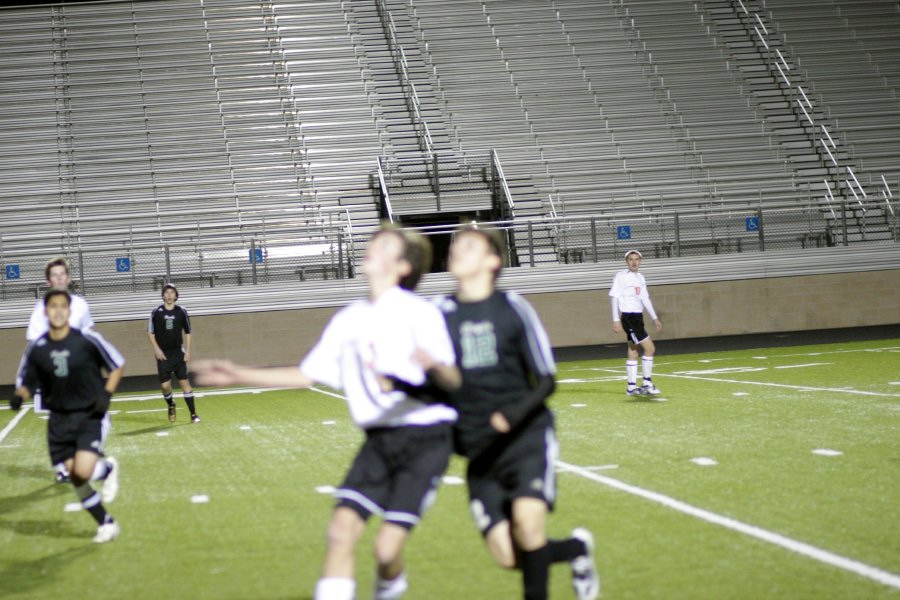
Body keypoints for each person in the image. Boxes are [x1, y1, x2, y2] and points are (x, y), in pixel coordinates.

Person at [193, 226, 461, 600]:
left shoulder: (422, 314)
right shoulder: (349, 319)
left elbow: (454, 380)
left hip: (424, 440)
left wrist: (432, 366)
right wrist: (238, 373)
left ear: (402, 267)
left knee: (385, 551)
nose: (372, 246)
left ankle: (390, 583)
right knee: (340, 532)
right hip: (379, 442)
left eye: (384, 245)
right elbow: (305, 375)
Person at [394, 226, 600, 600]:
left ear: (493, 261)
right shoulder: (437, 314)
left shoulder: (513, 307)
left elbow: (545, 380)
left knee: (528, 525)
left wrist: (510, 416)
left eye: (470, 245)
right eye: (456, 244)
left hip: (526, 439)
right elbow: (432, 386)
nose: (457, 249)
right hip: (478, 450)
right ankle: (575, 550)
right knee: (509, 555)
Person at [12, 289, 125, 544]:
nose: (59, 311)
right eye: (53, 306)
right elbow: (29, 381)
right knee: (75, 477)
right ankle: (106, 523)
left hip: (86, 417)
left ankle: (107, 468)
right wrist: (20, 395)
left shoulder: (86, 340)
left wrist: (106, 395)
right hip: (58, 421)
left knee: (83, 472)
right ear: (45, 311)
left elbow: (116, 365)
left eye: (64, 306)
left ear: (70, 311)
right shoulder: (38, 348)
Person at [22, 257, 95, 483]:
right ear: (48, 281)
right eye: (54, 275)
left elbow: (89, 336)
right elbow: (34, 343)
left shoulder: (80, 305)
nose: (59, 278)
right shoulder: (40, 309)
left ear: (68, 278)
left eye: (62, 274)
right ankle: (61, 467)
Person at [609, 250, 662, 396]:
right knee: (650, 348)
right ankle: (646, 383)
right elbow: (614, 297)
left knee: (633, 350)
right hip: (629, 318)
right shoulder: (621, 276)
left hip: (638, 318)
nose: (634, 262)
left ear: (640, 261)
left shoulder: (640, 277)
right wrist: (616, 319)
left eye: (637, 259)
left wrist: (654, 317)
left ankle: (631, 387)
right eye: (631, 259)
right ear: (627, 262)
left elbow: (645, 298)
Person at [148, 283, 199, 423]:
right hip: (163, 355)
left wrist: (187, 352)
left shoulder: (181, 311)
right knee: (165, 386)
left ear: (176, 295)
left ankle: (193, 414)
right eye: (167, 292)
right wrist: (156, 349)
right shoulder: (156, 311)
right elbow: (151, 333)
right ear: (163, 295)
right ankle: (171, 404)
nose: (169, 295)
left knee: (185, 383)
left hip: (178, 353)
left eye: (172, 292)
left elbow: (188, 332)